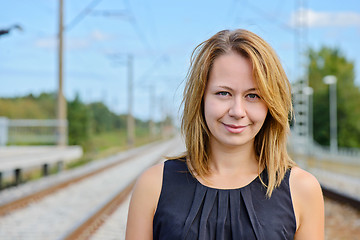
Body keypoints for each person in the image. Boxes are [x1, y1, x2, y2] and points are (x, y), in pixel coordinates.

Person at [125, 29, 324, 240]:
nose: (237, 111)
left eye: (253, 95)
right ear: (200, 98)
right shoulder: (153, 185)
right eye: (223, 93)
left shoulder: (302, 190)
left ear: (271, 104)